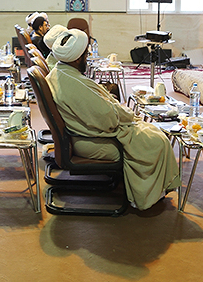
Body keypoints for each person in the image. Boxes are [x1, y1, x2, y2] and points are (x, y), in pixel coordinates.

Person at [46, 29, 180, 211]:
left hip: (84, 135)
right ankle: (144, 196)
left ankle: (154, 189)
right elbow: (107, 119)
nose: (88, 58)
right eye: (86, 54)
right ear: (77, 58)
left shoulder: (62, 72)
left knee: (152, 132)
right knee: (157, 141)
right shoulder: (69, 83)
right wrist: (124, 114)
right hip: (90, 141)